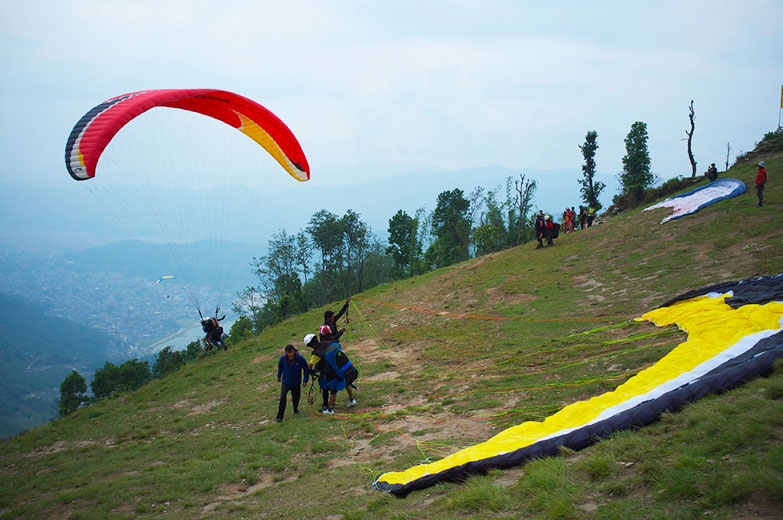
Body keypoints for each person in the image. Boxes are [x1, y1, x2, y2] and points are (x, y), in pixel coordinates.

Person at [304, 333, 357, 414]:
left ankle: (329, 408)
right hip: (344, 368)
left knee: (332, 389)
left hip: (333, 372)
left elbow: (310, 366)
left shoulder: (317, 353)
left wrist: (310, 371)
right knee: (345, 382)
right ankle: (351, 399)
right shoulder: (328, 343)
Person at [276, 344, 309, 422]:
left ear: (294, 351)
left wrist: (305, 380)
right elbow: (280, 367)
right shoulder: (283, 359)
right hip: (286, 382)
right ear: (286, 353)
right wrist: (278, 376)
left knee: (296, 398)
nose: (291, 354)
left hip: (296, 382)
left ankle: (295, 409)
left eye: (292, 352)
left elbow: (306, 368)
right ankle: (279, 416)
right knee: (283, 397)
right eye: (289, 353)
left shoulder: (300, 358)